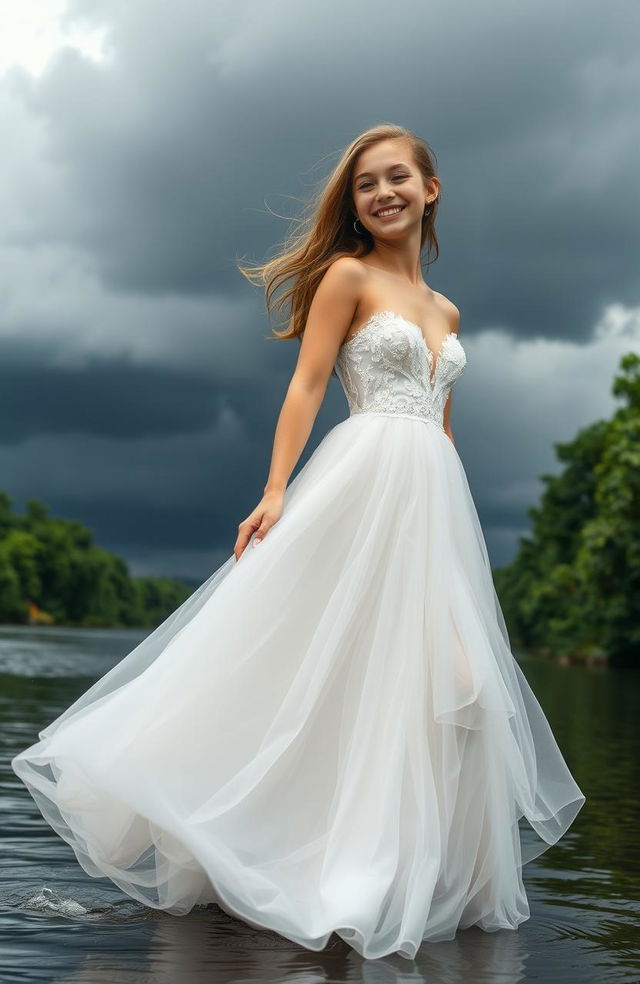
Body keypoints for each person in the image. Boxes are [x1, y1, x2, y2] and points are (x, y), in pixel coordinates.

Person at [11, 123, 586, 961]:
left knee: (452, 688)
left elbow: (444, 429)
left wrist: (457, 544)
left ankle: (397, 870)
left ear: (431, 189)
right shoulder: (346, 277)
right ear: (354, 204)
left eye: (398, 178)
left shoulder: (448, 310)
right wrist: (276, 490)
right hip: (359, 479)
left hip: (430, 500)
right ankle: (290, 858)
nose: (382, 193)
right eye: (365, 185)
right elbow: (308, 384)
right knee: (315, 661)